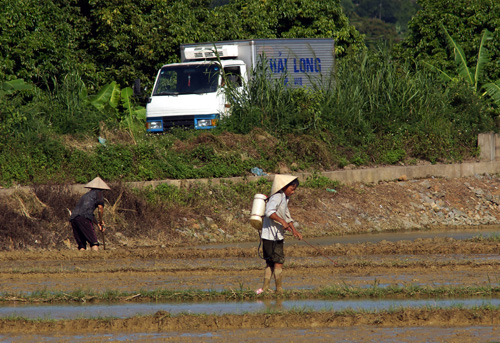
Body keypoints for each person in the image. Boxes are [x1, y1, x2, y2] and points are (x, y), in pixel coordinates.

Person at [258, 174, 302, 294]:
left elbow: (286, 215)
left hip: (275, 236)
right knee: (278, 262)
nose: (293, 192)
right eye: (292, 189)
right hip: (271, 236)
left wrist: (294, 230)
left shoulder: (284, 198)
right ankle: (279, 290)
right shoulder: (277, 197)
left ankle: (265, 289)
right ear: (284, 187)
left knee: (270, 263)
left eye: (294, 190)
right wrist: (282, 222)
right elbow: (269, 212)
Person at [69, 177, 110, 251]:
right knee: (94, 242)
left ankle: (81, 260)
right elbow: (100, 209)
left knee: (82, 245)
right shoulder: (99, 193)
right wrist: (101, 221)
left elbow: (88, 213)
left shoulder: (86, 196)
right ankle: (97, 259)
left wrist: (98, 223)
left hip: (73, 218)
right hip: (83, 219)